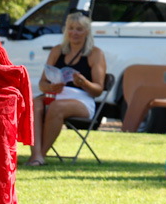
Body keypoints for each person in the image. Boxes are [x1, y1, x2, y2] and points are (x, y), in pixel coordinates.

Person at [27, 12, 107, 166]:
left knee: (57, 107)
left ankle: (40, 156)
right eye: (71, 28)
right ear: (66, 30)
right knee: (34, 103)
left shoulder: (95, 54)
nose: (74, 33)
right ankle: (35, 154)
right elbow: (42, 84)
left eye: (79, 29)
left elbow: (98, 89)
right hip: (57, 94)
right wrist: (51, 87)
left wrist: (84, 82)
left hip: (82, 99)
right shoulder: (57, 51)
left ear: (87, 32)